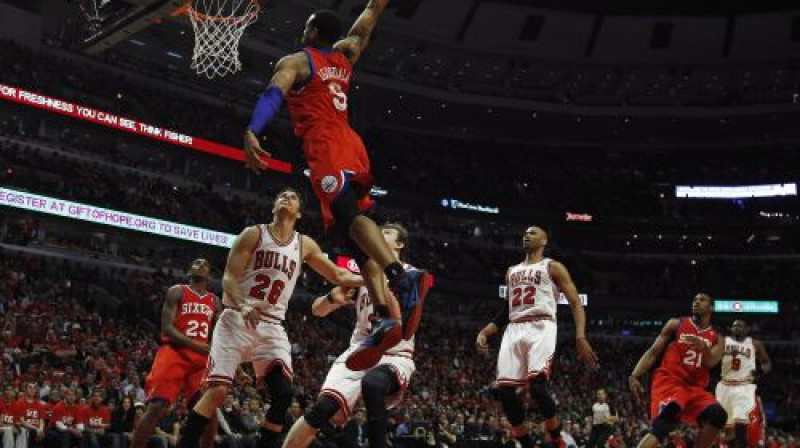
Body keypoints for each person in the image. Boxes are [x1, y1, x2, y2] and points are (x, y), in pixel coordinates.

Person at [242, 0, 430, 371]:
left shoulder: (295, 62)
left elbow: (273, 94)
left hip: (327, 145)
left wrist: (253, 129)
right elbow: (365, 24)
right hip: (349, 142)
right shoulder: (345, 55)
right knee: (354, 238)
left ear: (311, 32)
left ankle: (402, 277)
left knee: (347, 214)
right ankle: (383, 316)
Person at [178, 188, 363, 448]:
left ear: (298, 213)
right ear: (273, 207)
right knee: (218, 392)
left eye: (293, 196)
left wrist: (376, 279)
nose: (286, 197)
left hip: (271, 326)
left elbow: (339, 276)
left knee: (283, 394)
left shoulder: (304, 244)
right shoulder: (253, 234)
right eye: (281, 195)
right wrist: (242, 305)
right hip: (236, 319)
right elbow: (229, 277)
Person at [281, 223, 421, 448]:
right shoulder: (362, 275)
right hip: (360, 350)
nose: (378, 234)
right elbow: (317, 310)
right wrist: (332, 299)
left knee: (373, 383)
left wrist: (379, 277)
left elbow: (405, 322)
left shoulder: (410, 275)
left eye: (386, 233)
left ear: (400, 244)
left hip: (394, 353)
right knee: (321, 410)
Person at [476, 226, 598, 448]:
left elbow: (575, 303)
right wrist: (485, 332)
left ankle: (558, 439)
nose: (526, 235)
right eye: (524, 233)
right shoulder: (511, 271)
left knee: (538, 386)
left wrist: (580, 337)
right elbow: (506, 311)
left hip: (541, 325)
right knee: (505, 393)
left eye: (532, 233)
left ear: (544, 241)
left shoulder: (552, 267)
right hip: (514, 328)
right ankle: (525, 443)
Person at [132, 259, 219, 448]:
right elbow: (167, 329)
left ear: (209, 275)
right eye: (197, 263)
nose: (201, 265)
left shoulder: (214, 300)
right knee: (156, 407)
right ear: (189, 270)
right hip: (174, 352)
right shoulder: (177, 291)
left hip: (200, 360)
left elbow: (220, 334)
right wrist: (196, 345)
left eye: (205, 264)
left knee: (210, 412)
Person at [628, 293, 728, 448]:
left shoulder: (718, 338)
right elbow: (653, 351)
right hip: (670, 383)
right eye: (694, 300)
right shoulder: (676, 324)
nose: (696, 302)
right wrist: (634, 375)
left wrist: (704, 348)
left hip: (695, 389)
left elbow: (711, 361)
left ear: (711, 307)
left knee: (719, 415)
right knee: (663, 425)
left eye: (702, 300)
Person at [716, 320, 772, 448]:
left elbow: (767, 363)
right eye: (734, 326)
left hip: (744, 385)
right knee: (726, 425)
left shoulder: (755, 344)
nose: (736, 328)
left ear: (747, 329)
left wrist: (760, 371)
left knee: (744, 424)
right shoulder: (724, 342)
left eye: (740, 326)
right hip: (726, 385)